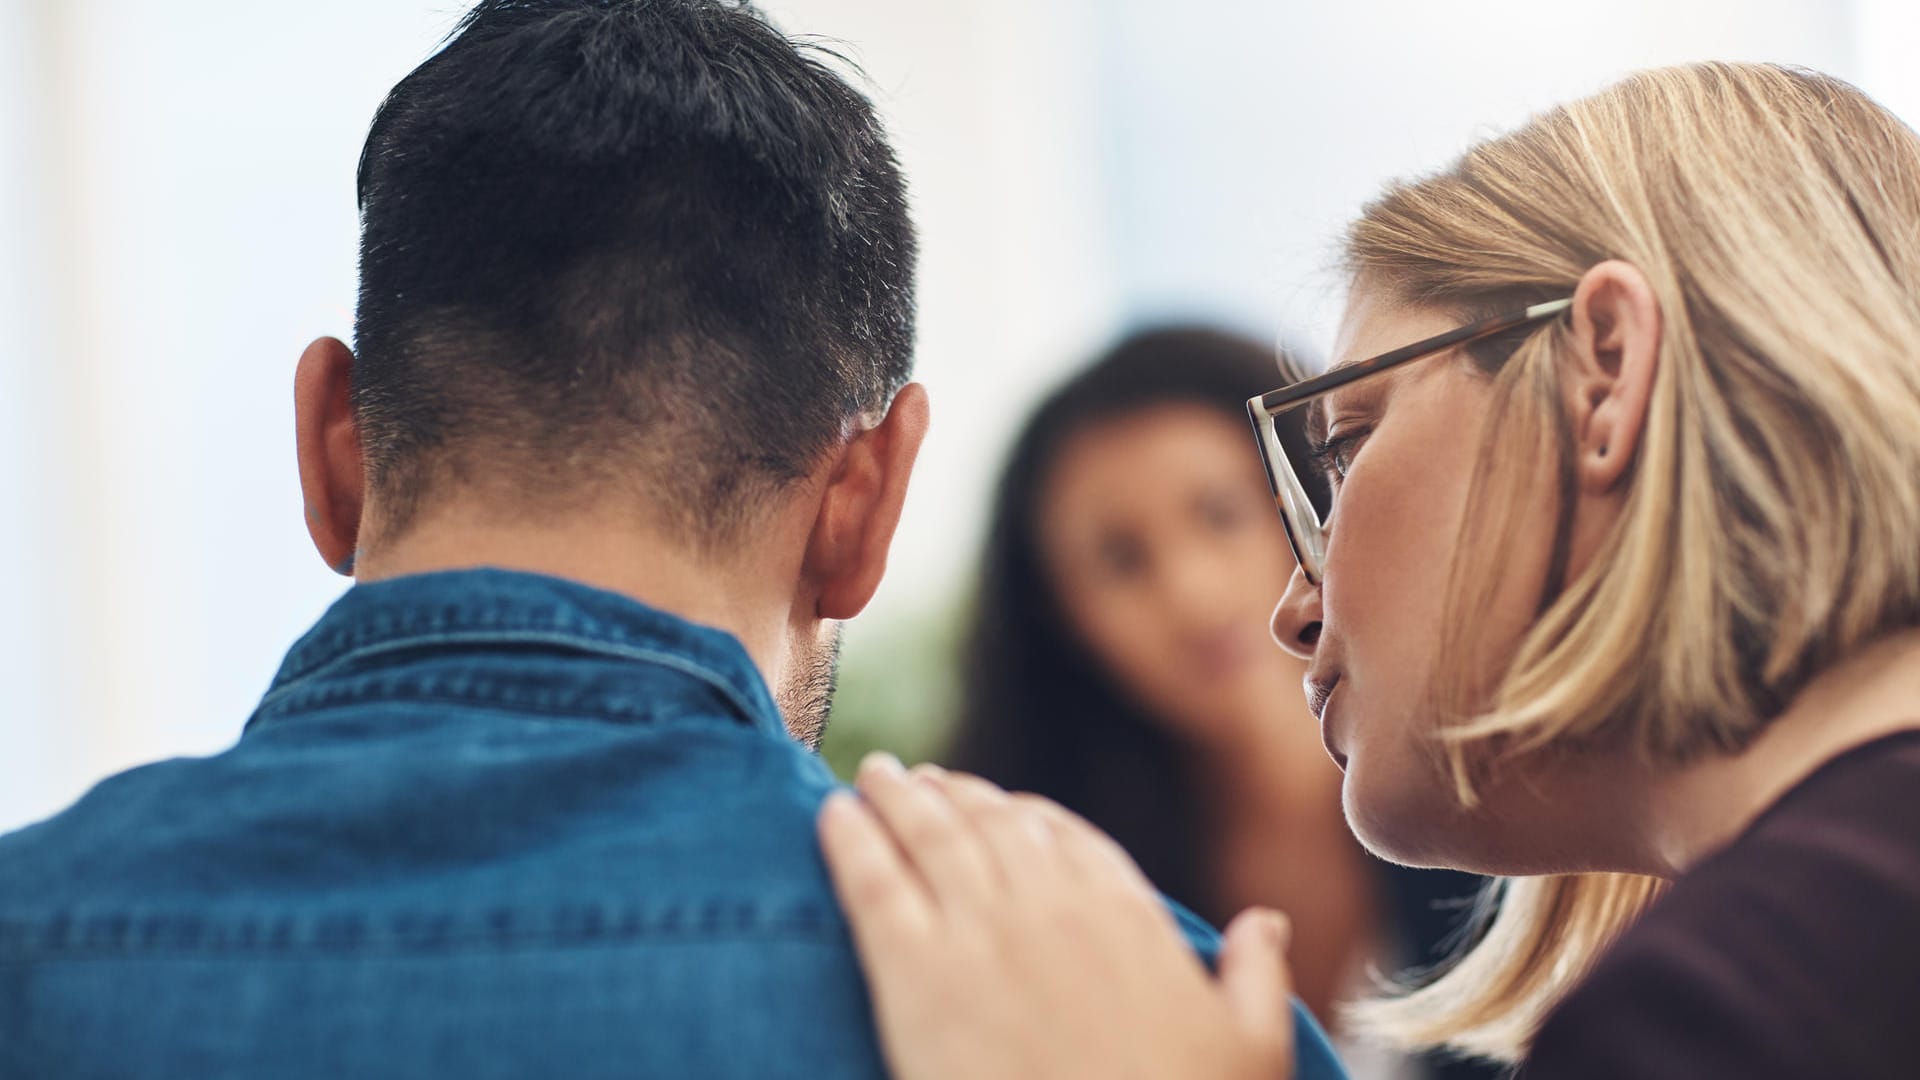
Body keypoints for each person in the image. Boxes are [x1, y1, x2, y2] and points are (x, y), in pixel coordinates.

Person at [817, 61, 1920, 1079]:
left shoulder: (1717, 1015)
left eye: (1340, 451)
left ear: (1605, 373)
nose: (1289, 610)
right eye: (1117, 560)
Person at [948, 325, 1489, 1067]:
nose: (1192, 594)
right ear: (1059, 615)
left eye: (1220, 513)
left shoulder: (1504, 810)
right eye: (1120, 559)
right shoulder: (1036, 883)